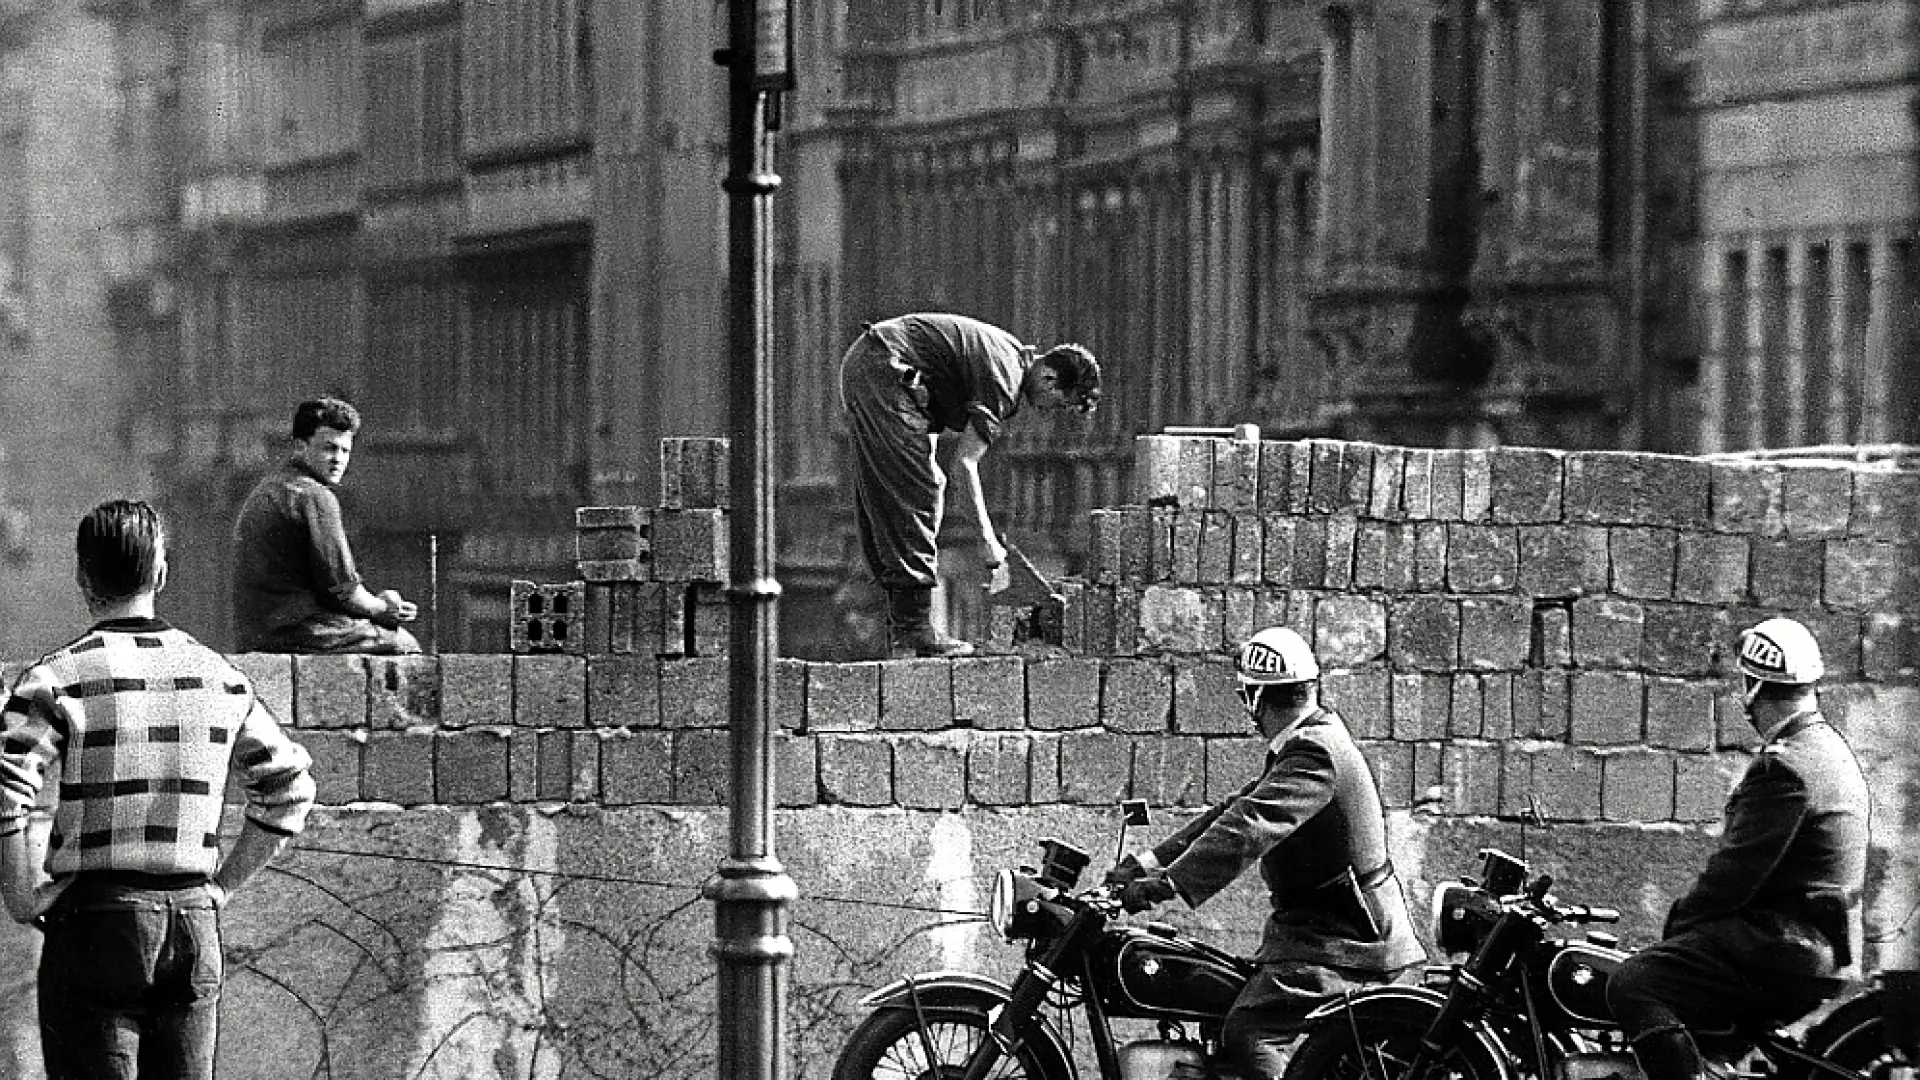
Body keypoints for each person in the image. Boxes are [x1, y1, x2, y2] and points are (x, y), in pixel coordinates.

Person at [0, 500, 316, 1079]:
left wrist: (21, 895)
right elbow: (290, 788)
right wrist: (221, 887)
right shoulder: (220, 676)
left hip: (95, 922)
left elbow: (5, 786)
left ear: (83, 578)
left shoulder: (57, 677)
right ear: (162, 574)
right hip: (193, 924)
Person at [1106, 626, 1426, 1080]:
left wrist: (1166, 885)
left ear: (1255, 699)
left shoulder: (1314, 751)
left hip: (1348, 940)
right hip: (1322, 931)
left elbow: (1248, 829)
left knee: (1251, 1030)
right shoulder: (1310, 741)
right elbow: (1235, 809)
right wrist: (1147, 863)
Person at [1608, 617, 1869, 1080]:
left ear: (1752, 688)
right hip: (1815, 946)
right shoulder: (1828, 748)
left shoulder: (1784, 768)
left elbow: (1734, 875)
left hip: (1782, 948)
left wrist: (1677, 928)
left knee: (1633, 982)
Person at [839, 313, 1100, 658]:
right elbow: (965, 464)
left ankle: (902, 621)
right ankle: (914, 628)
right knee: (919, 490)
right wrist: (989, 543)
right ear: (1050, 379)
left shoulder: (1011, 354)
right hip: (884, 370)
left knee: (901, 487)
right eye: (1060, 404)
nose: (1050, 413)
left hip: (876, 365)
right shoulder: (1006, 380)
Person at [231, 396, 422, 654]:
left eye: (345, 451)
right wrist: (384, 608)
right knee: (405, 645)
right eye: (328, 448)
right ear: (300, 447)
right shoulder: (314, 496)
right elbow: (344, 590)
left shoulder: (268, 489)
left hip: (256, 634)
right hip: (299, 632)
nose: (338, 459)